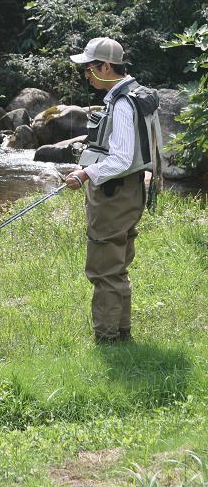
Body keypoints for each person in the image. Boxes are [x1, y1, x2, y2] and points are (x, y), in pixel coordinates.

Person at [65, 37, 162, 343]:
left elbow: (120, 159)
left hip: (113, 194)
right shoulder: (136, 94)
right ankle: (121, 333)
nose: (86, 75)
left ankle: (106, 339)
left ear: (106, 66)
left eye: (89, 68)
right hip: (130, 192)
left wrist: (85, 173)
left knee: (104, 268)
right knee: (117, 266)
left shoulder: (121, 104)